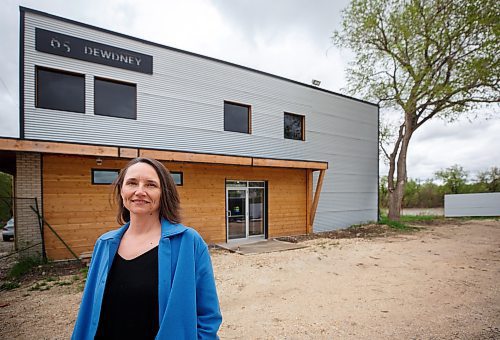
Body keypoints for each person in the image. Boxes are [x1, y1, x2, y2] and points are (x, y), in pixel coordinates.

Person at [72, 157, 222, 339]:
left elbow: (208, 317)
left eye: (151, 185)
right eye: (132, 183)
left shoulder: (188, 243)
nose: (139, 191)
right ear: (122, 191)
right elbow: (88, 310)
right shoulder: (104, 244)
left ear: (163, 193)